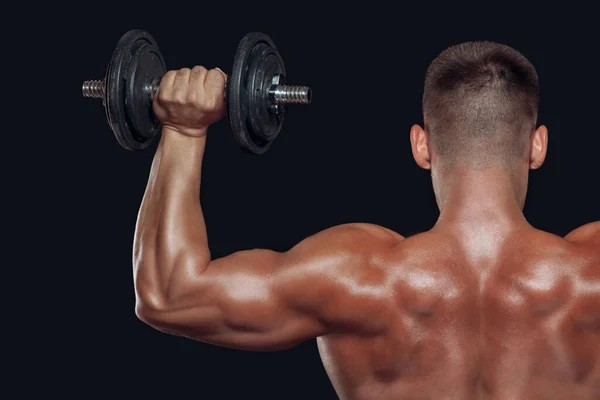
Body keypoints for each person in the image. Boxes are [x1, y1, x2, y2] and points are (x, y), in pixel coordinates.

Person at [132, 42, 599, 399]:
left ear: (421, 146)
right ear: (538, 145)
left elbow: (169, 295)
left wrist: (184, 130)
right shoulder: (589, 276)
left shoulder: (358, 277)